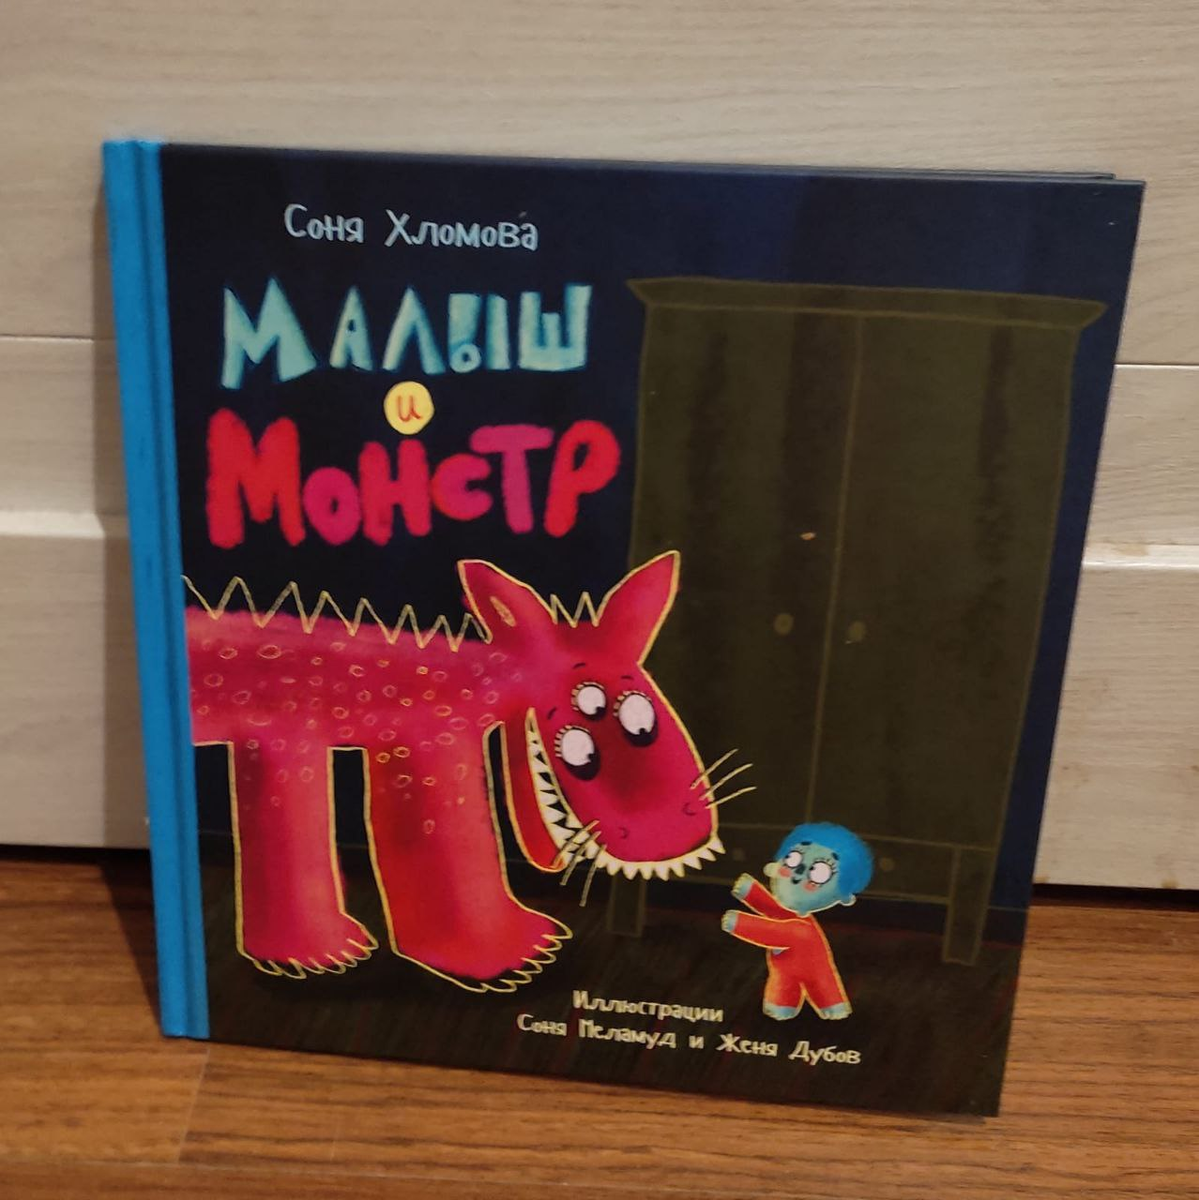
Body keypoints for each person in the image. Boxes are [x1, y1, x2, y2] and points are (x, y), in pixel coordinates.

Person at [721, 821, 873, 1020]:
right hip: (783, 966)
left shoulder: (802, 930)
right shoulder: (795, 917)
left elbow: (773, 931)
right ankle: (782, 1007)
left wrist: (739, 923)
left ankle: (833, 1006)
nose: (799, 873)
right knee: (782, 988)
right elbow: (776, 911)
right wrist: (750, 892)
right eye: (793, 859)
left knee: (824, 989)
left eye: (819, 872)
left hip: (814, 971)